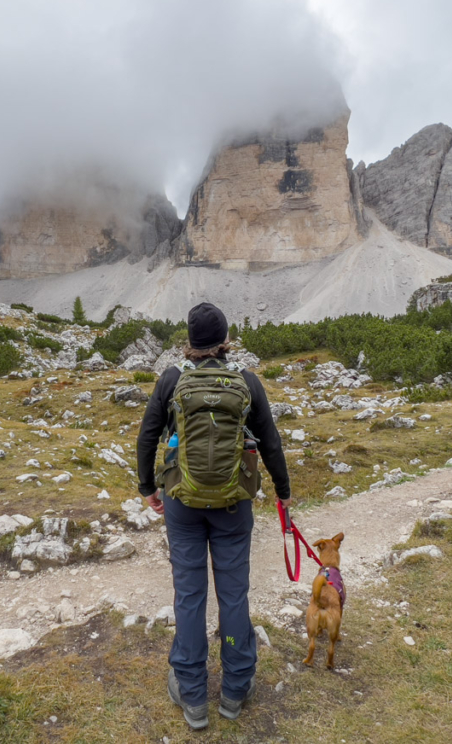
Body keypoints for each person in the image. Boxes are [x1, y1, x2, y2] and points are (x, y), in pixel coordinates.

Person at [136, 302, 291, 729]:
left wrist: (148, 488)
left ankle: (191, 694)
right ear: (225, 341)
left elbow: (148, 434)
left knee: (190, 595)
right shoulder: (246, 381)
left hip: (182, 504)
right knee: (233, 594)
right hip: (234, 505)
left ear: (190, 343)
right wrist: (284, 492)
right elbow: (271, 443)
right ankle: (236, 689)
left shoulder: (172, 378)